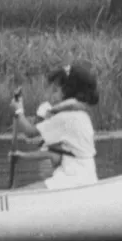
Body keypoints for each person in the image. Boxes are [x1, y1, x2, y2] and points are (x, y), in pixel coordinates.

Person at [9, 61, 100, 189]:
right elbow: (54, 154)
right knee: (27, 190)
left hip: (73, 179)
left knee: (23, 192)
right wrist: (22, 156)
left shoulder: (65, 117)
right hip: (86, 177)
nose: (55, 93)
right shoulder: (82, 115)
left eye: (58, 89)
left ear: (68, 89)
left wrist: (18, 110)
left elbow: (30, 133)